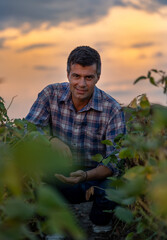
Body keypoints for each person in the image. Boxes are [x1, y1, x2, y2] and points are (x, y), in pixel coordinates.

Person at [25, 46, 126, 230]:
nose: (82, 84)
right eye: (76, 76)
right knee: (33, 176)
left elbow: (115, 160)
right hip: (56, 171)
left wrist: (86, 176)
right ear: (68, 74)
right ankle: (52, 226)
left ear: (98, 77)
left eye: (89, 77)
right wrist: (51, 140)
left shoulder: (112, 109)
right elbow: (28, 129)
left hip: (94, 177)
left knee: (113, 188)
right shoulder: (50, 94)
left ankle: (100, 226)